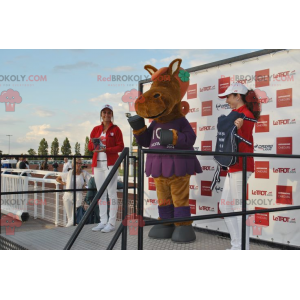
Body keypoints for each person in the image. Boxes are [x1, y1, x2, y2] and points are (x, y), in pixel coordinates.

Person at [218, 82, 261, 250]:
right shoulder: (236, 113)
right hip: (234, 165)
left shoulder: (246, 114)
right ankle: (237, 246)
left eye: (229, 96)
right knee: (226, 205)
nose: (227, 100)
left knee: (238, 206)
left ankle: (243, 248)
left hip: (241, 165)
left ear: (238, 96)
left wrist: (240, 128)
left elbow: (245, 140)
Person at [88, 104, 124, 233]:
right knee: (101, 193)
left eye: (109, 113)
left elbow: (120, 147)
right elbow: (90, 147)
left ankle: (111, 223)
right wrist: (94, 144)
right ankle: (103, 221)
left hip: (111, 164)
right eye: (104, 112)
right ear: (101, 114)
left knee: (111, 193)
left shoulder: (116, 129)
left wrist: (107, 149)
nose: (106, 115)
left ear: (112, 115)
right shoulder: (96, 129)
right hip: (98, 165)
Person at [56, 158, 92, 227]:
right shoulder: (69, 173)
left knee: (73, 219)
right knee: (70, 218)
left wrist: (85, 187)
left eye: (80, 163)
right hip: (67, 196)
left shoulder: (84, 173)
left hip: (78, 196)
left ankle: (65, 231)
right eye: (77, 163)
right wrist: (64, 183)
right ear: (73, 164)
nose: (78, 165)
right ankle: (70, 234)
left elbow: (91, 182)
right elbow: (58, 178)